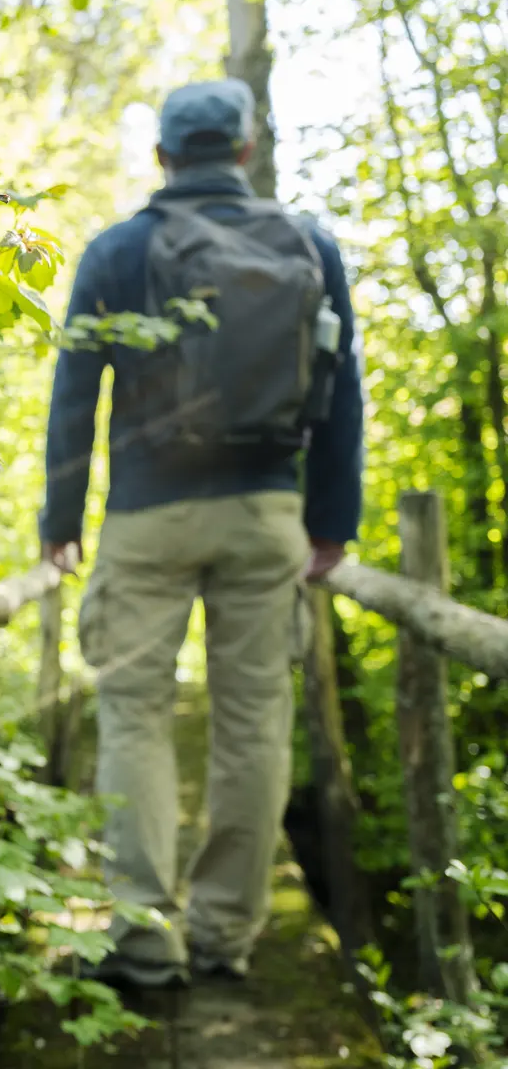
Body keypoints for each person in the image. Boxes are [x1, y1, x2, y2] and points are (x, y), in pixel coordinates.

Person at [39, 79, 364, 989]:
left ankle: (145, 943)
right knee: (254, 721)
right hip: (267, 514)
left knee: (135, 716)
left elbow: (74, 397)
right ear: (247, 152)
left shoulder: (117, 250)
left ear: (163, 156)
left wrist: (58, 523)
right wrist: (332, 523)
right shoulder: (309, 243)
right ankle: (225, 937)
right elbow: (345, 397)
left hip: (146, 516)